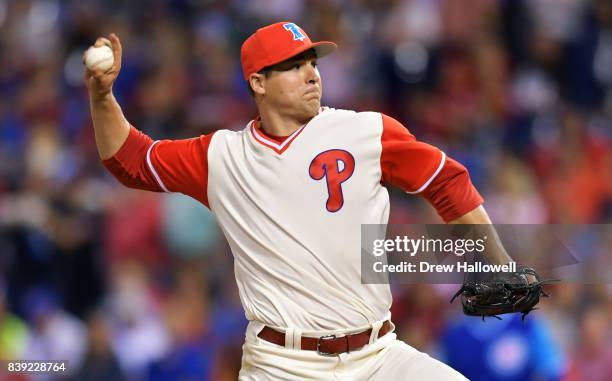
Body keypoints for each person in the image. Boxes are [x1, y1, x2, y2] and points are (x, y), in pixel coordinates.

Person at [85, 21, 515, 380]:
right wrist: (103, 98)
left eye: (312, 63)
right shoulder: (221, 156)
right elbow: (130, 160)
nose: (312, 74)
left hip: (379, 356)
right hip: (282, 365)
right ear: (258, 82)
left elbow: (447, 180)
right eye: (294, 66)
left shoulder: (364, 131)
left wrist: (498, 264)